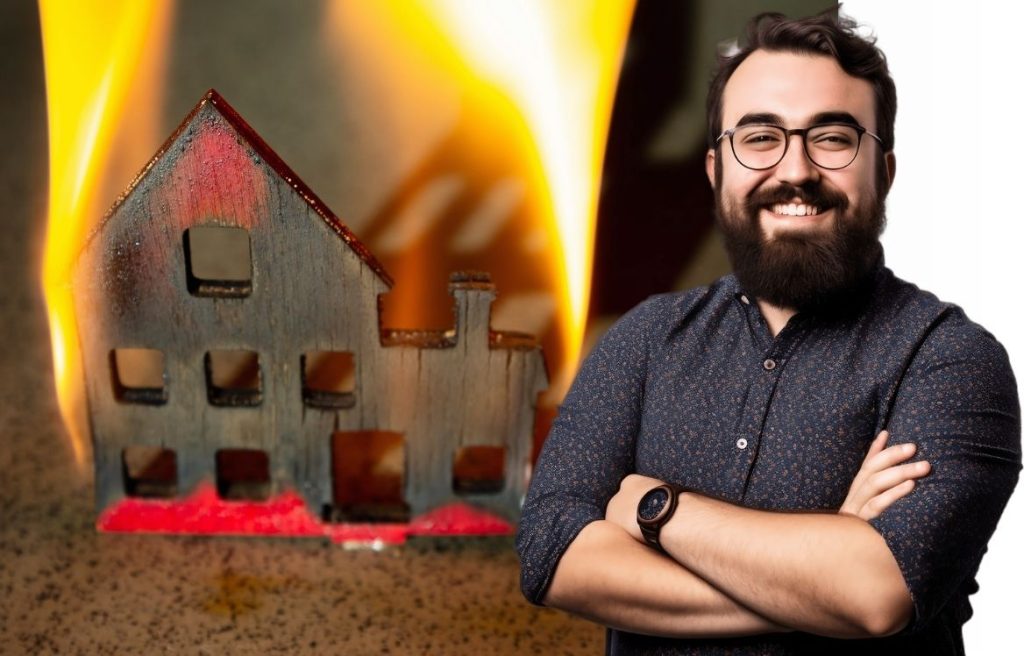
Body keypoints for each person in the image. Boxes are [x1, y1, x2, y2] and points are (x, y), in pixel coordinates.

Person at [516, 9, 1021, 655]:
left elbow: (876, 593)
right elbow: (552, 554)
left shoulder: (948, 358)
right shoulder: (643, 341)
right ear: (714, 169)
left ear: (885, 172)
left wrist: (657, 508)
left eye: (833, 138)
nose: (795, 171)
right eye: (760, 138)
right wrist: (818, 578)